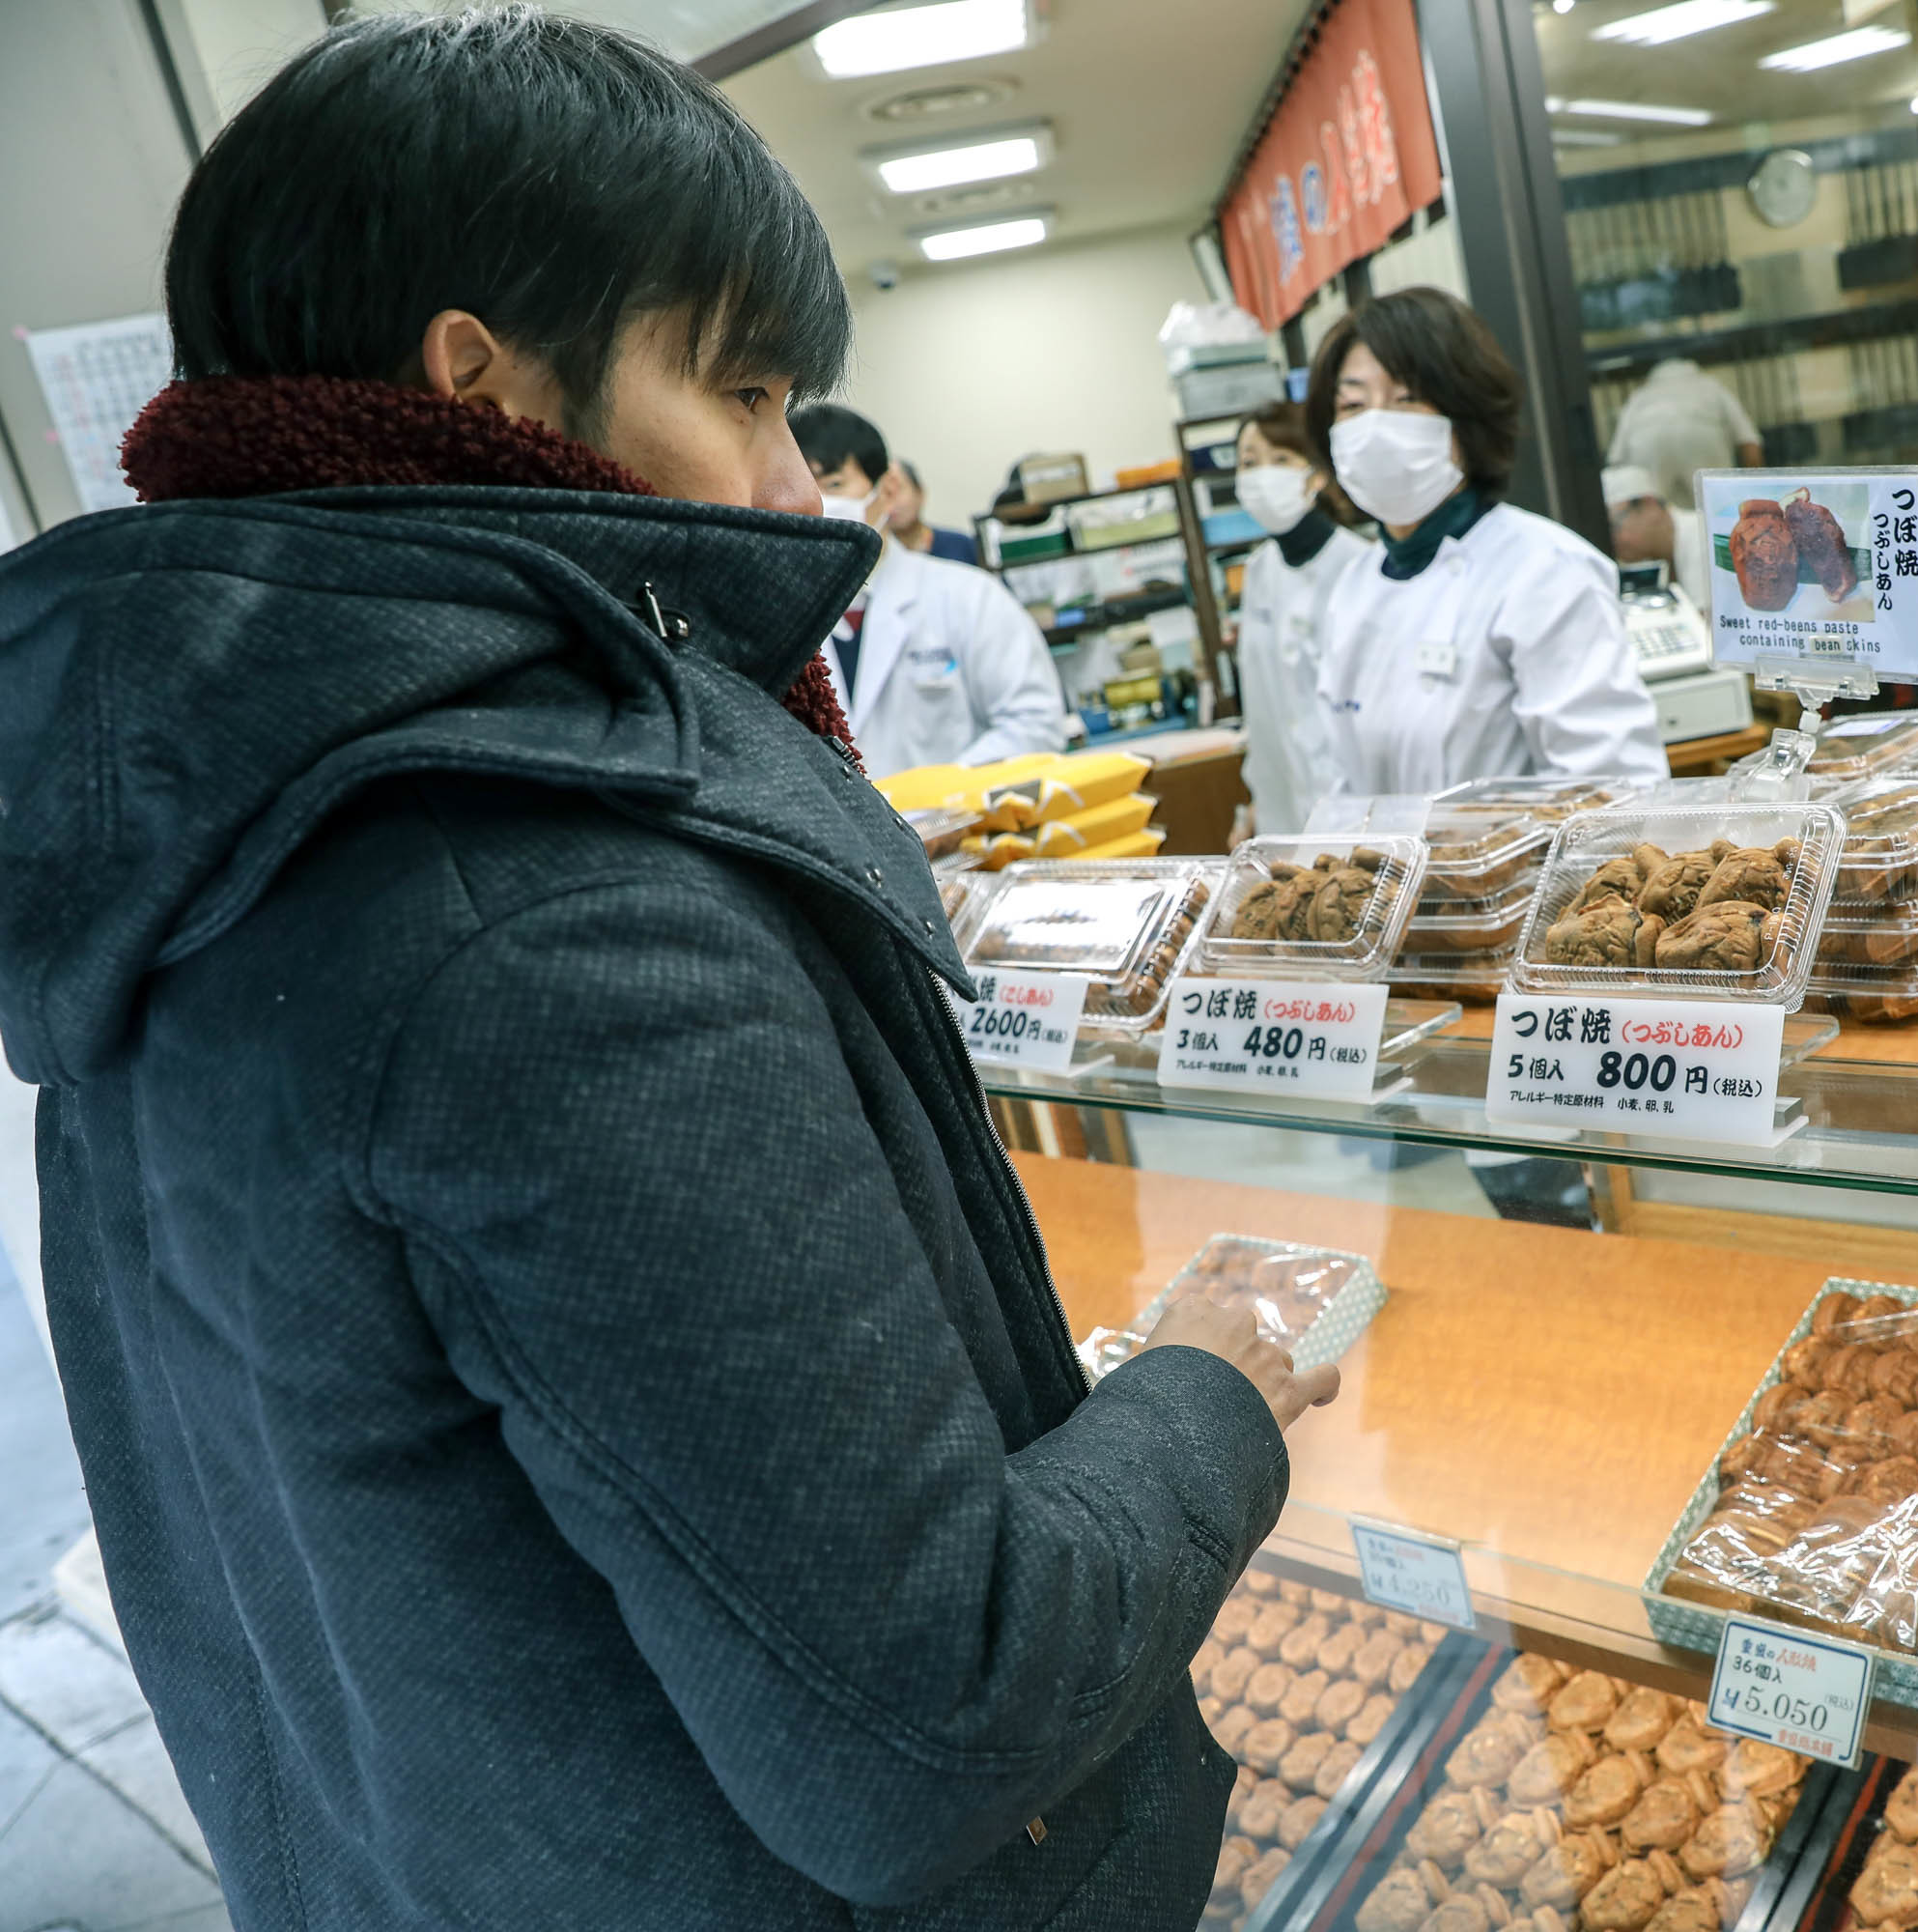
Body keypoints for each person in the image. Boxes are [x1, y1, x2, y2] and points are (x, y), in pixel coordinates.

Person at [0, 11, 1332, 1927]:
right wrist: (1209, 1392)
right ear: (488, 385)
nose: (805, 489)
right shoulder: (544, 920)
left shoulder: (183, 819)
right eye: (750, 396)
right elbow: (930, 1718)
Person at [1306, 286, 1665, 795]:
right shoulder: (1354, 586)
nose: (1377, 425)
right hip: (1389, 875)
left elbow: (1613, 788)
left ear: (1465, 416)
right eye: (1353, 403)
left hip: (1523, 874)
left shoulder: (1544, 569)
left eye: (1407, 399)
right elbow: (1342, 782)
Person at [790, 403, 1065, 774]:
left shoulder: (969, 597)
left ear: (887, 490)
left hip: (961, 822)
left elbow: (1035, 723)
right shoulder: (781, 619)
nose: (823, 505)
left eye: (836, 485)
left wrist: (942, 798)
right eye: (805, 489)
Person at [1230, 400, 1370, 837]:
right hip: (1282, 812)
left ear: (1316, 474)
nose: (1260, 475)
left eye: (1281, 459)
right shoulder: (1258, 571)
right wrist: (1253, 807)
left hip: (1362, 809)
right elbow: (1262, 707)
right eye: (1248, 463)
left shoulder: (1361, 568)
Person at [1607, 355, 1764, 511]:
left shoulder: (1640, 395)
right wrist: (1756, 493)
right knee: (1717, 509)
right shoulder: (1710, 385)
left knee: (1657, 513)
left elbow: (1616, 460)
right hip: (1702, 436)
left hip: (1647, 443)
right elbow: (1749, 443)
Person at [1604, 462, 1708, 616]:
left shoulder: (1703, 537)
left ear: (1649, 504)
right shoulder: (1658, 561)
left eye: (1615, 525)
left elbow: (1705, 628)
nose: (1613, 539)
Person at [884, 455, 979, 564]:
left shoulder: (962, 546)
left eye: (897, 489)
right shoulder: (873, 558)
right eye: (883, 493)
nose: (891, 503)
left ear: (920, 493)